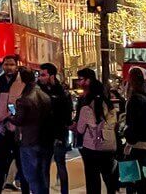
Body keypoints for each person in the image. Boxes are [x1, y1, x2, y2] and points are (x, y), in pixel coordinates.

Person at [75, 75, 118, 194]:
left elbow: (80, 129)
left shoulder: (87, 108)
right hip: (109, 147)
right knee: (109, 178)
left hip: (92, 148)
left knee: (93, 181)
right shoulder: (111, 107)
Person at [14, 68, 54, 194]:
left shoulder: (24, 99)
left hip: (30, 140)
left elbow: (19, 121)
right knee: (43, 175)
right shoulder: (44, 95)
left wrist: (8, 118)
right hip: (45, 139)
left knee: (32, 176)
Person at [0, 55, 26, 193]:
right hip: (1, 129)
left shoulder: (22, 82)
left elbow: (21, 105)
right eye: (6, 64)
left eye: (11, 64)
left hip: (17, 129)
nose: (9, 67)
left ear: (16, 66)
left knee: (21, 163)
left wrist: (6, 115)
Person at [38, 62, 73, 194]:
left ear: (52, 76)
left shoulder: (62, 92)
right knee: (44, 166)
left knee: (60, 165)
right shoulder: (38, 89)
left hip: (58, 135)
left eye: (43, 75)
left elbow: (66, 114)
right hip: (44, 135)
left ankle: (64, 191)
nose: (40, 78)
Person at [123, 67, 146, 194]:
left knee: (132, 181)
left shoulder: (135, 99)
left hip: (134, 145)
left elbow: (133, 123)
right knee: (145, 176)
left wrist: (127, 135)